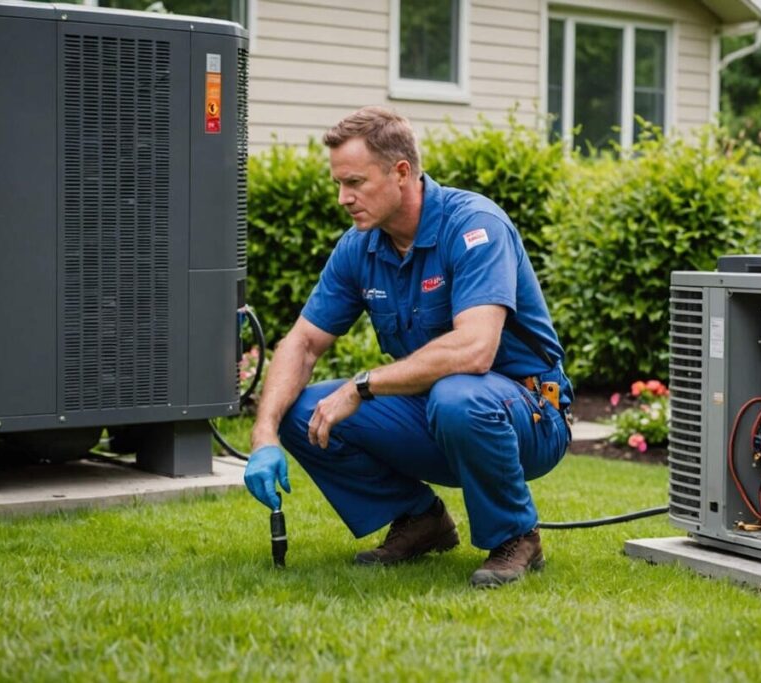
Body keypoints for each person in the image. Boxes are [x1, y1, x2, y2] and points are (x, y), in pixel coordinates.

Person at [244, 106, 573, 588]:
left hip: (529, 412)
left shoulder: (474, 225)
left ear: (401, 173)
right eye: (339, 183)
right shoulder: (360, 247)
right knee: (302, 412)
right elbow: (304, 342)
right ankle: (420, 520)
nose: (343, 198)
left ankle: (517, 536)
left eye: (355, 182)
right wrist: (264, 435)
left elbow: (475, 350)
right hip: (438, 409)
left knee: (457, 394)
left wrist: (363, 385)